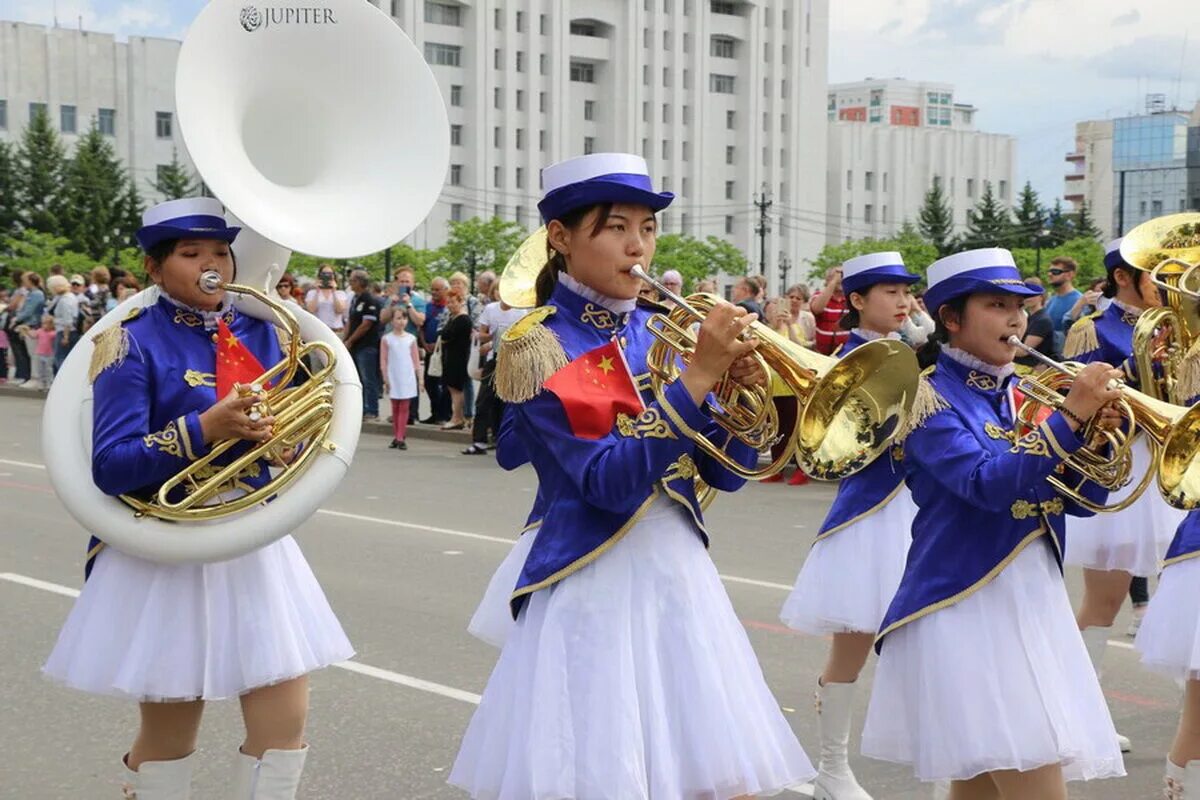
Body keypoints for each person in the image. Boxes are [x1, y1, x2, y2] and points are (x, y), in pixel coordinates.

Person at [450, 152, 815, 798]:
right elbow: (609, 484)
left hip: (680, 582)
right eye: (616, 227)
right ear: (561, 238)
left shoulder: (663, 329)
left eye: (647, 228)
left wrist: (737, 400)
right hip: (594, 584)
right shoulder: (539, 344)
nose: (637, 245)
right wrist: (698, 379)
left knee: (722, 784)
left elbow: (724, 476)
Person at [42, 197, 352, 800]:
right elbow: (110, 466)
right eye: (191, 254)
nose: (212, 264)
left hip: (251, 538)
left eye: (220, 252)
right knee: (170, 735)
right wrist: (204, 429)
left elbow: (295, 428)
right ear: (155, 269)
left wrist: (285, 447)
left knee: (285, 726)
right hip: (168, 548)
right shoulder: (128, 344)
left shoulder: (264, 330)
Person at [860, 247, 1125, 798]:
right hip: (963, 605)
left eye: (1020, 306)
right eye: (996, 304)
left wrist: (1096, 439)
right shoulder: (926, 399)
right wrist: (1073, 417)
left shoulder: (1024, 393)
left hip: (1029, 601)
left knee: (978, 790)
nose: (1015, 318)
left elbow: (1076, 500)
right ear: (951, 319)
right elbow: (987, 484)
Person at [780, 252, 922, 799]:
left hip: (918, 510)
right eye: (890, 292)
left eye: (907, 291)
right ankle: (832, 769)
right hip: (872, 513)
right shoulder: (846, 360)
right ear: (858, 300)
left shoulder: (908, 353)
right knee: (853, 645)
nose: (904, 301)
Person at [1060, 238, 1185, 752]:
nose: (1165, 285)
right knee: (1104, 601)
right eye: (1153, 275)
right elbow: (1076, 398)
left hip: (1171, 467)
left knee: (1182, 588)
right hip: (1119, 469)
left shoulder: (1179, 326)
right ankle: (1078, 715)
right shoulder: (1092, 328)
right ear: (1122, 278)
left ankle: (1190, 705)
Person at [463, 287, 526, 455]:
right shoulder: (491, 309)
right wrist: (494, 336)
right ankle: (479, 441)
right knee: (484, 400)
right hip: (494, 359)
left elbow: (524, 337)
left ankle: (503, 440)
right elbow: (481, 334)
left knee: (506, 402)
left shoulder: (521, 312)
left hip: (512, 360)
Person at [760, 295, 811, 486]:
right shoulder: (764, 330)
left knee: (794, 431)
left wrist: (789, 325)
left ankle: (801, 469)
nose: (776, 313)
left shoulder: (794, 328)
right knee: (776, 431)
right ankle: (776, 468)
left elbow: (801, 351)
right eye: (772, 310)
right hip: (772, 388)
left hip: (792, 387)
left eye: (778, 309)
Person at [344, 269, 382, 421]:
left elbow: (366, 324)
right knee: (358, 378)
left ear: (360, 282)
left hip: (367, 346)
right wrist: (344, 340)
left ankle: (372, 409)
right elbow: (350, 321)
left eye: (352, 280)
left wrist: (350, 340)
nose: (350, 283)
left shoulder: (369, 300)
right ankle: (361, 408)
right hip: (356, 346)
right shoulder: (355, 298)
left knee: (368, 378)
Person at [380, 312, 421, 449]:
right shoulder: (387, 339)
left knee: (404, 406)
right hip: (393, 375)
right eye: (398, 318)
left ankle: (400, 436)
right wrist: (385, 377)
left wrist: (420, 378)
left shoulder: (411, 338)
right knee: (395, 406)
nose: (401, 321)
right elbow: (384, 360)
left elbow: (416, 361)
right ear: (392, 321)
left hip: (407, 375)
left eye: (404, 318)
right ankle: (397, 434)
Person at [436, 286, 472, 430]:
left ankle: (457, 417)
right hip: (451, 357)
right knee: (453, 389)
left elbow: (446, 335)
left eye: (453, 302)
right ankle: (457, 416)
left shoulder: (462, 319)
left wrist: (444, 337)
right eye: (448, 302)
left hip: (458, 358)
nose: (450, 305)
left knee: (456, 389)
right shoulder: (454, 318)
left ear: (460, 302)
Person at [420, 277, 450, 424]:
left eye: (437, 290)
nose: (434, 292)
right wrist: (424, 343)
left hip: (444, 352)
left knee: (443, 384)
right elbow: (421, 326)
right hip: (430, 351)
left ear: (446, 290)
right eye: (432, 289)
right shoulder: (428, 307)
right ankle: (435, 412)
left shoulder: (449, 308)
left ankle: (444, 414)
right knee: (429, 382)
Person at [1044, 256, 1082, 353]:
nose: (1050, 274)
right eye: (1049, 271)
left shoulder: (1079, 301)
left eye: (1055, 272)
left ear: (1070, 275)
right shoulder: (1051, 300)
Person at [1016, 277, 1057, 367]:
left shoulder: (1042, 320)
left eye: (1032, 294)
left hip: (1030, 369)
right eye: (1025, 294)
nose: (1027, 298)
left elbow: (1024, 351)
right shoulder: (1028, 317)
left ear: (1041, 296)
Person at [811, 267, 850, 355]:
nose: (840, 278)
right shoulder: (818, 296)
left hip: (845, 353)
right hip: (821, 354)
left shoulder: (851, 299)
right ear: (827, 280)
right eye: (836, 275)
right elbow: (817, 309)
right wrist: (834, 281)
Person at [46, 274, 80, 374]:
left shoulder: (65, 300)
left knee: (60, 359)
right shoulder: (69, 296)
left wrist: (65, 336)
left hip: (65, 332)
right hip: (69, 331)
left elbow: (67, 320)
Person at [304, 264, 347, 336]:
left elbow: (339, 310)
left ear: (334, 276)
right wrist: (317, 291)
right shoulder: (312, 293)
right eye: (324, 273)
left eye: (330, 273)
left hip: (336, 331)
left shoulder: (340, 293)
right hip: (318, 330)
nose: (327, 276)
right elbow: (311, 310)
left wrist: (334, 291)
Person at [28, 314, 57, 388]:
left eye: (46, 323)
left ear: (51, 324)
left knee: (48, 370)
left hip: (49, 354)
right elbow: (33, 336)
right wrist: (27, 331)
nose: (44, 325)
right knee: (40, 370)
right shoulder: (40, 331)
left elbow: (56, 341)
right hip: (39, 353)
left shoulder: (53, 333)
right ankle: (41, 382)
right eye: (43, 323)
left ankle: (49, 383)